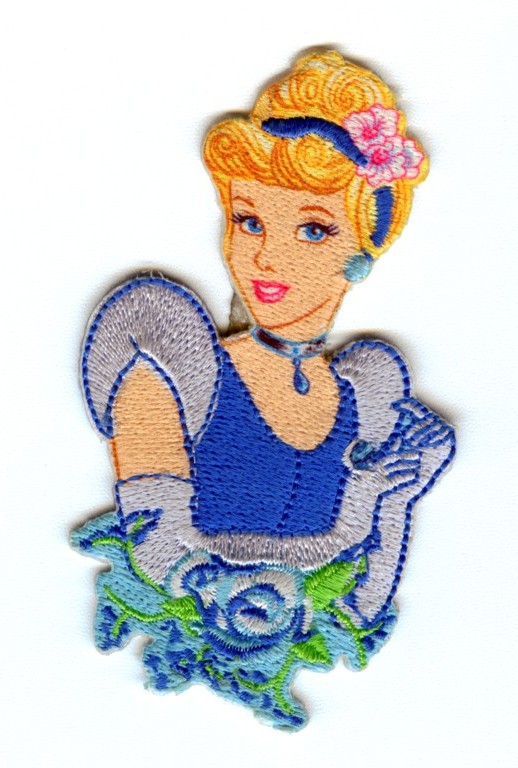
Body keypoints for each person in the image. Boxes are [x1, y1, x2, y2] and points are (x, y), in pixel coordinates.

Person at [75, 51, 455, 728]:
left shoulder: (365, 391)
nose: (267, 256)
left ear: (365, 246)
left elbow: (358, 610)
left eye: (313, 229)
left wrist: (392, 498)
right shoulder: (168, 360)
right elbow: (157, 550)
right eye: (249, 219)